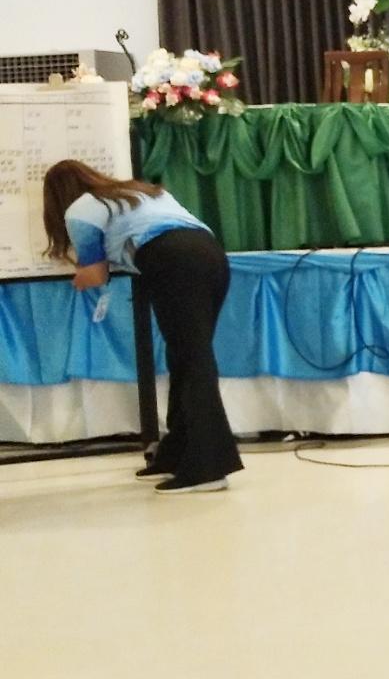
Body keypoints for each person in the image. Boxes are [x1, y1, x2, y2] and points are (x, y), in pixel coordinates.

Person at [41, 159, 241, 493]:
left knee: (193, 360)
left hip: (171, 261)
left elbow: (95, 274)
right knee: (185, 357)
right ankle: (176, 454)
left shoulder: (80, 210)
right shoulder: (140, 191)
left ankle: (207, 469)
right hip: (209, 255)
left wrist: (79, 276)